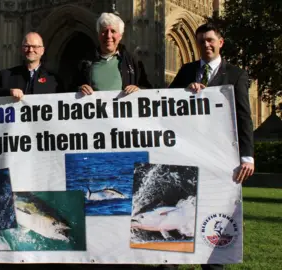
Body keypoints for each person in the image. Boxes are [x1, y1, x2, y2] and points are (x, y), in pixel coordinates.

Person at [167, 23, 255, 270]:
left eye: (210, 40)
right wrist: (184, 91)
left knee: (214, 219)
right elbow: (165, 104)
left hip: (220, 161)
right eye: (201, 42)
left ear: (220, 42)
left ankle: (213, 264)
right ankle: (169, 261)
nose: (206, 45)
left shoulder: (236, 75)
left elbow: (243, 116)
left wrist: (247, 156)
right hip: (187, 158)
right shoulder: (186, 72)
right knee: (177, 212)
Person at [76, 12, 152, 96]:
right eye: (104, 31)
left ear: (120, 36)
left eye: (113, 31)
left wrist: (139, 90)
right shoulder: (85, 63)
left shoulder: (133, 62)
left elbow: (148, 90)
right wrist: (79, 89)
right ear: (98, 34)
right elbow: (69, 90)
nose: (108, 36)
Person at [0, 32, 64, 100]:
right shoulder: (5, 76)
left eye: (35, 47)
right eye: (27, 46)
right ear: (21, 49)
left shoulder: (54, 80)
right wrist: (8, 92)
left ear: (42, 50)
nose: (30, 50)